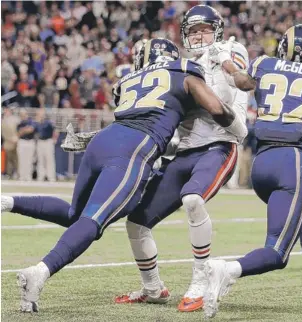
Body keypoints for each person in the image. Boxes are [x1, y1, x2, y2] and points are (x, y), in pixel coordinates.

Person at [12, 38, 245, 313]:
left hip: (104, 140)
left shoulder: (127, 80)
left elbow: (138, 117)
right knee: (94, 221)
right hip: (133, 148)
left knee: (76, 214)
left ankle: (8, 201)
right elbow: (215, 109)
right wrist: (239, 130)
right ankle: (40, 271)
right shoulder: (183, 70)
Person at [115, 5, 249, 311]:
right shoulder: (181, 65)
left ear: (216, 30)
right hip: (185, 150)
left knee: (193, 199)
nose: (199, 36)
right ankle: (152, 289)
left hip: (219, 144)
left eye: (204, 29)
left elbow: (233, 92)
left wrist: (217, 64)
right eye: (193, 31)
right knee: (136, 220)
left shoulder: (230, 49)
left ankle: (201, 280)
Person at [202, 24, 302, 318]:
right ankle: (227, 269)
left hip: (262, 165)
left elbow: (238, 80)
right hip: (292, 164)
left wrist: (224, 59)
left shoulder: (265, 64)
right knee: (277, 253)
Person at [35, 109, 57, 182]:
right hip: (40, 142)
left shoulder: (48, 123)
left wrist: (54, 139)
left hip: (48, 141)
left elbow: (55, 130)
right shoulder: (37, 123)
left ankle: (51, 177)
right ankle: (40, 176)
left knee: (49, 160)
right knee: (40, 160)